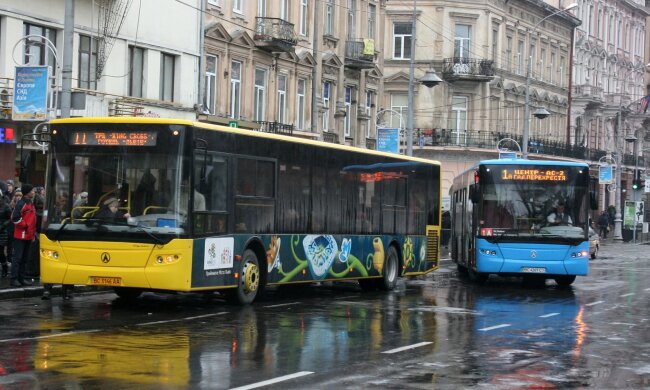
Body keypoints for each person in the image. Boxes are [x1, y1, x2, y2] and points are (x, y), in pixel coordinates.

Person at [10, 184, 36, 287]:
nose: (34, 192)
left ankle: (21, 278)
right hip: (20, 236)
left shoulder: (30, 203)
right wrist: (25, 225)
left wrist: (32, 233)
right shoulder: (21, 203)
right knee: (18, 258)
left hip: (28, 235)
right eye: (32, 190)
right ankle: (14, 279)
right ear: (28, 192)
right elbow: (14, 218)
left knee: (24, 258)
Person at [0, 194, 11, 277]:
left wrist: (3, 226)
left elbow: (10, 219)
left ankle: (5, 268)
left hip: (2, 232)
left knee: (0, 252)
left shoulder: (6, 206)